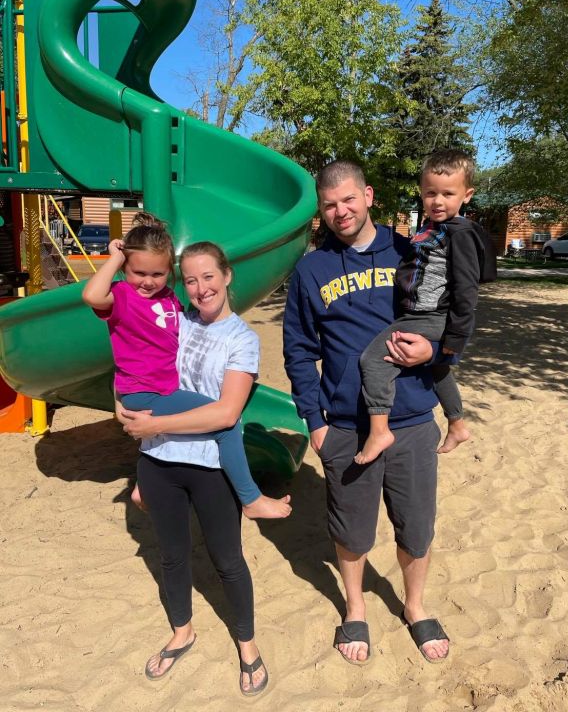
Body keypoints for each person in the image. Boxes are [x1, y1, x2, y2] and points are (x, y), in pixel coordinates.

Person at [283, 159, 451, 665]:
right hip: (346, 429)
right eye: (330, 205)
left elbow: (449, 318)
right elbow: (297, 350)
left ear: (369, 195)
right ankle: (355, 606)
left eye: (349, 199)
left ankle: (415, 606)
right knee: (352, 532)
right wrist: (314, 423)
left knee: (416, 528)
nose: (341, 212)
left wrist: (436, 353)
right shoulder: (312, 269)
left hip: (415, 419)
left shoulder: (411, 251)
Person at [118, 241, 278, 693]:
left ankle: (246, 644)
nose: (200, 287)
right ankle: (182, 631)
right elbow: (132, 363)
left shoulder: (241, 339)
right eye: (190, 279)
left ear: (227, 276)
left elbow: (225, 414)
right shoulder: (173, 321)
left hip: (210, 466)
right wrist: (124, 409)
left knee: (227, 560)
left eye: (208, 276)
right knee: (171, 556)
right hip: (158, 460)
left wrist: (154, 422)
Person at [82, 212, 290, 520]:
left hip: (160, 390)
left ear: (169, 273)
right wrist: (114, 258)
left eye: (158, 274)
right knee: (227, 425)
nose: (148, 281)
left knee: (199, 422)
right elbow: (91, 295)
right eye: (138, 272)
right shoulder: (123, 296)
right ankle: (250, 498)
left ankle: (144, 485)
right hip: (147, 393)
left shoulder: (170, 303)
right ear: (126, 269)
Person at [356, 149, 483, 465]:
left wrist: (454, 342)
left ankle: (379, 429)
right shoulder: (433, 227)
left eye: (448, 194)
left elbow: (467, 291)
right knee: (437, 369)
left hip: (431, 316)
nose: (438, 201)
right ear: (422, 192)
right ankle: (457, 423)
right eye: (431, 193)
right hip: (423, 313)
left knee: (372, 359)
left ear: (466, 195)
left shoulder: (460, 233)